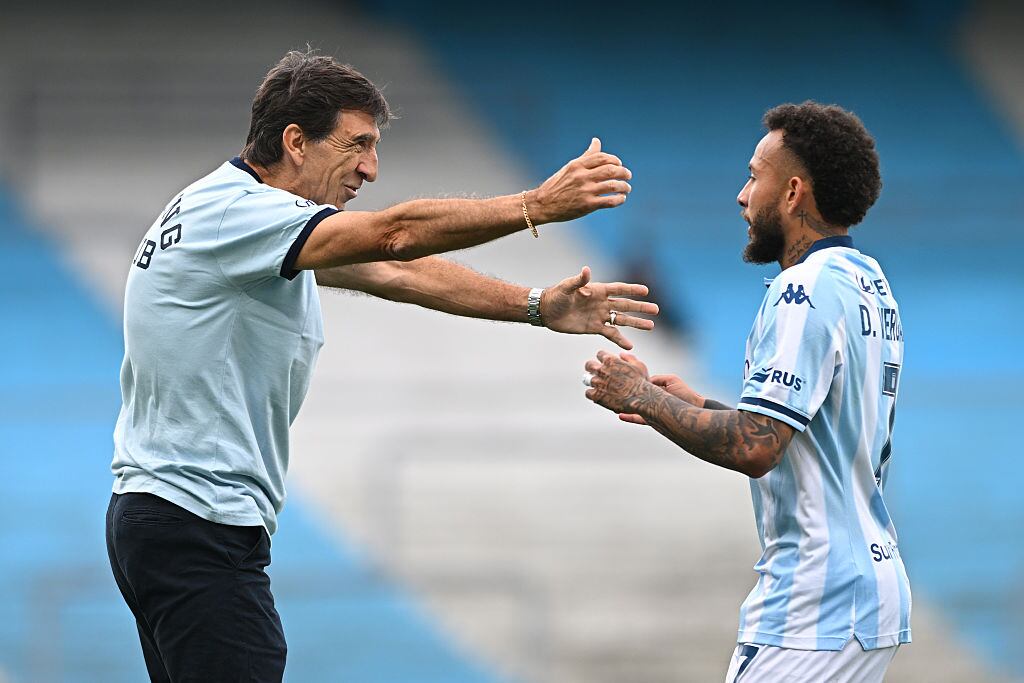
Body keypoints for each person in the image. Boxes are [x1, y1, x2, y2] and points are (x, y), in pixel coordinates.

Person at [106, 50, 657, 682]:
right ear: (295, 142)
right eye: (358, 145)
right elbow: (395, 235)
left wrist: (535, 305)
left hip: (165, 517)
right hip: (197, 522)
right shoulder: (238, 213)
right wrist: (535, 204)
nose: (370, 167)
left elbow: (395, 270)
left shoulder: (239, 218)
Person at [582, 101, 910, 682]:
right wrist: (690, 405)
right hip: (867, 589)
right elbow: (809, 432)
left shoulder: (801, 291)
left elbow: (758, 446)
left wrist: (642, 397)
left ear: (792, 193)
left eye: (754, 176)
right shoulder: (868, 283)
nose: (741, 195)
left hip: (815, 602)